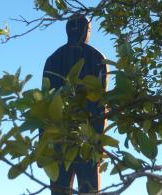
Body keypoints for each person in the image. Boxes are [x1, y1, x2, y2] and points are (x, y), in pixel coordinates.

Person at [42, 14, 108, 195]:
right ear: (87, 30)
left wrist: (44, 140)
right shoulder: (96, 58)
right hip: (87, 138)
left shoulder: (52, 59)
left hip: (59, 138)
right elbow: (100, 104)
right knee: (89, 190)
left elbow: (45, 103)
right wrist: (98, 140)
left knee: (61, 189)